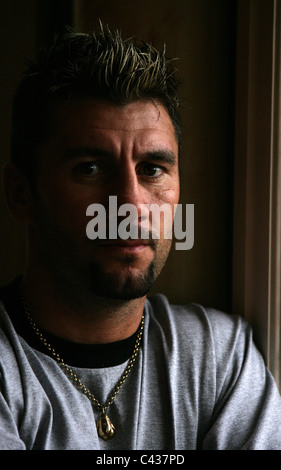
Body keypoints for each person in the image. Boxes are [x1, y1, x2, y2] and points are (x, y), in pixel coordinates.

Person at [1, 22, 281, 451]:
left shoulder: (219, 358)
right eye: (90, 169)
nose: (130, 205)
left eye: (152, 169)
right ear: (22, 195)